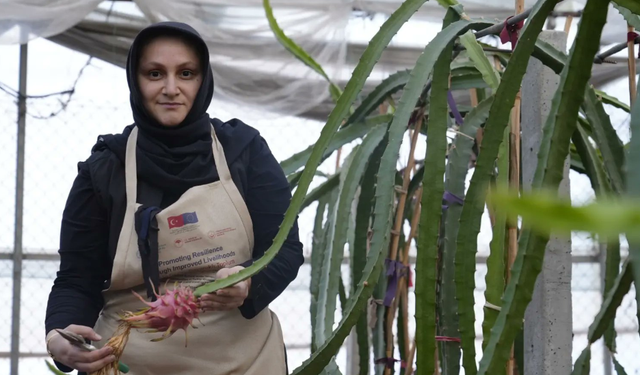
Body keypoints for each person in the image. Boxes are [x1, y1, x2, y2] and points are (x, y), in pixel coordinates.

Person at [44, 22, 304, 375]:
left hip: (243, 362)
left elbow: (285, 249)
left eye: (186, 73)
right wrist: (60, 337)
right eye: (154, 73)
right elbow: (77, 278)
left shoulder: (243, 151)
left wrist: (249, 281)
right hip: (127, 363)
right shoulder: (105, 167)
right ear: (135, 81)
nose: (171, 88)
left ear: (203, 79)